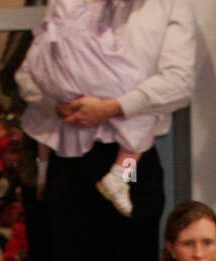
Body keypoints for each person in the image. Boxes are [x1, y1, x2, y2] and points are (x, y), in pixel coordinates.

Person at [15, 0, 196, 261]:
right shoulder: (68, 5)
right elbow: (28, 75)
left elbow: (180, 82)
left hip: (131, 162)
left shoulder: (168, 5)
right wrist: (61, 103)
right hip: (69, 157)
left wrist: (113, 107)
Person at [19, 0, 162, 216]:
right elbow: (26, 76)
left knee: (142, 117)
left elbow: (175, 84)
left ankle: (120, 175)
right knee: (141, 118)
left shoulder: (142, 14)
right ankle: (118, 175)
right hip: (72, 148)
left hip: (111, 145)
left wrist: (111, 107)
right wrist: (56, 105)